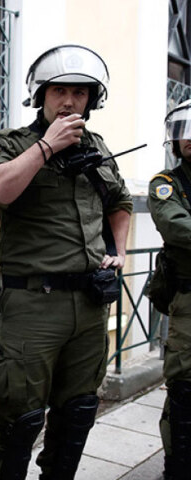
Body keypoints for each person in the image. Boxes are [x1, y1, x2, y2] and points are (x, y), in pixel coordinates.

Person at [0, 45, 133, 480]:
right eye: (59, 91)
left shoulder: (97, 148)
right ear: (41, 95)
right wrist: (46, 148)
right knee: (19, 420)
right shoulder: (10, 143)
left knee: (77, 413)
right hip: (33, 306)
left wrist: (120, 251)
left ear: (92, 100)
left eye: (80, 92)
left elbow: (121, 201)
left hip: (90, 305)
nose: (69, 101)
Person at [148, 99, 191, 480]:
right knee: (185, 388)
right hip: (188, 301)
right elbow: (177, 226)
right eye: (184, 132)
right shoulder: (166, 184)